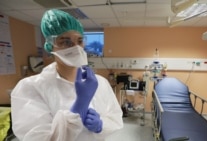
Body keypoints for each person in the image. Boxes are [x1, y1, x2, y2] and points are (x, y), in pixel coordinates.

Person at [11, 9, 123, 141]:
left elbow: (115, 117)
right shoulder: (31, 87)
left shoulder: (100, 83)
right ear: (50, 46)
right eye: (65, 42)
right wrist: (80, 105)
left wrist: (100, 125)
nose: (75, 47)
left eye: (80, 41)